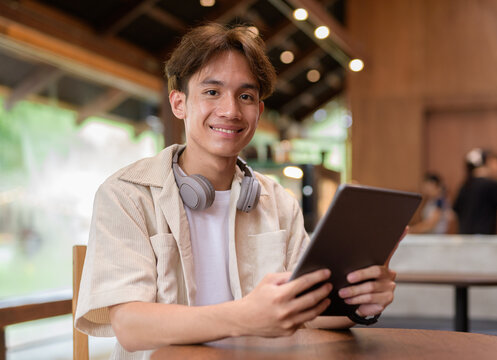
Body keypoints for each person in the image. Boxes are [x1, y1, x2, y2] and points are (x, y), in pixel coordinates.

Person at [75, 23, 398, 359]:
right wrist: (245, 317)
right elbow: (130, 326)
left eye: (245, 96)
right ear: (179, 103)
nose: (230, 110)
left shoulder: (278, 203)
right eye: (212, 92)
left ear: (258, 111)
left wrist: (360, 303)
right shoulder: (127, 194)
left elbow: (308, 310)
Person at [453, 148, 497, 234]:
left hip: (465, 236)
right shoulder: (493, 185)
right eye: (496, 163)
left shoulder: (465, 186)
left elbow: (455, 210)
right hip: (485, 238)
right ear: (487, 163)